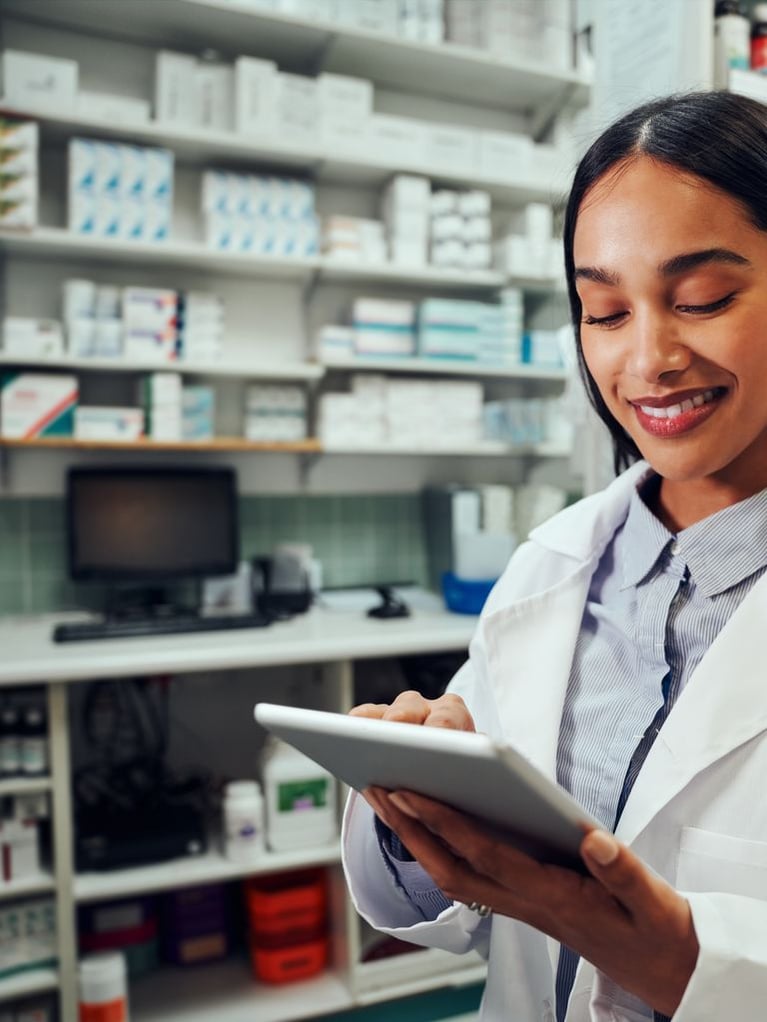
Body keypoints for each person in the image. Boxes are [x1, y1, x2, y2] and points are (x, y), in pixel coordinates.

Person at [341, 89, 767, 1022]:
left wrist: (688, 964)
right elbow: (456, 913)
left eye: (701, 299)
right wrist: (418, 825)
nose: (647, 358)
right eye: (604, 311)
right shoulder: (554, 568)